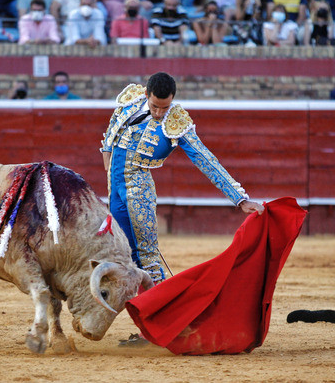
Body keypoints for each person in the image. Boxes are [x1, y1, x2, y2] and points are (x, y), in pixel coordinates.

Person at [100, 72, 264, 289]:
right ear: (146, 94)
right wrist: (109, 171)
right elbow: (109, 138)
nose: (159, 113)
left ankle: (162, 306)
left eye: (165, 107)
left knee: (147, 255)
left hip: (138, 188)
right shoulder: (130, 100)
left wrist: (241, 199)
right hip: (115, 187)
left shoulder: (177, 121)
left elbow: (205, 159)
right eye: (155, 106)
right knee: (122, 250)